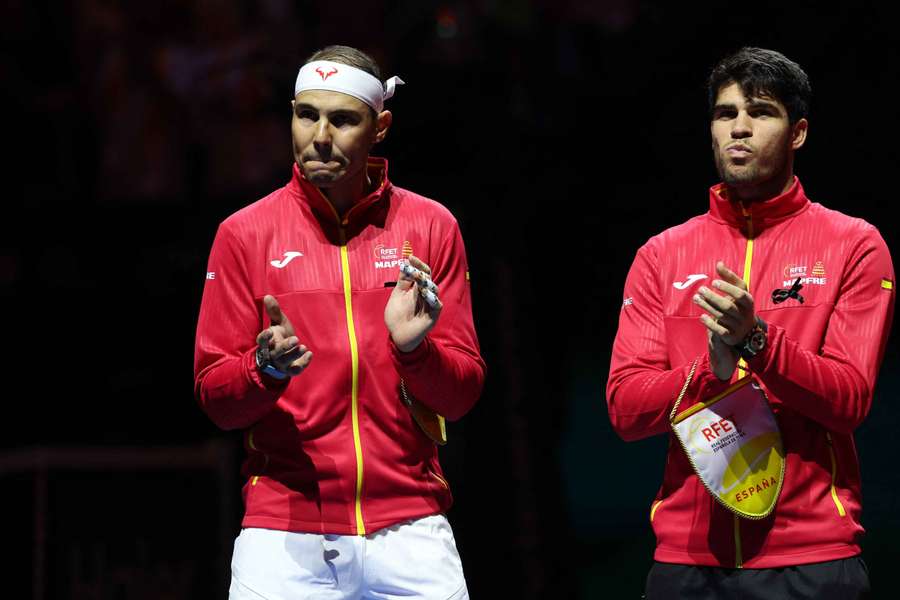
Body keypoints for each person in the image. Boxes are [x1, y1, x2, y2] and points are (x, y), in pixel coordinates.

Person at [193, 45, 485, 600]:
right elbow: (215, 398)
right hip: (282, 538)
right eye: (306, 115)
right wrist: (264, 369)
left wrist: (415, 352)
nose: (319, 136)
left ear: (380, 127)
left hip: (412, 532)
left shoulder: (430, 226)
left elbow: (463, 394)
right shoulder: (243, 234)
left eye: (343, 119)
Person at [607, 47, 894, 599]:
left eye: (760, 112)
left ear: (798, 133)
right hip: (687, 562)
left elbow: (850, 400)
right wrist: (708, 374)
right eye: (725, 113)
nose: (739, 127)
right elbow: (625, 408)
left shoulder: (854, 245)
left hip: (811, 557)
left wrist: (756, 342)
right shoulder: (660, 255)